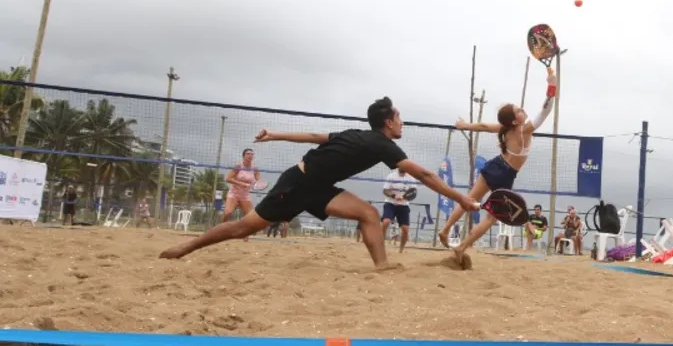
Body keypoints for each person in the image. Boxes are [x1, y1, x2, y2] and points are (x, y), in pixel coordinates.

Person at [159, 97, 480, 269]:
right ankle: (185, 247)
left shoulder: (360, 137)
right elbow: (425, 175)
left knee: (368, 214)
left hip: (319, 188)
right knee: (244, 228)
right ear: (388, 122)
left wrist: (275, 134)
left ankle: (382, 268)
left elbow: (314, 136)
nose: (402, 123)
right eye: (399, 119)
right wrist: (461, 198)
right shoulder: (381, 144)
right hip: (297, 184)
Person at [437, 68, 557, 263]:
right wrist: (552, 84)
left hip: (494, 165)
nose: (522, 109)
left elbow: (483, 126)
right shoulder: (524, 131)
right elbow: (546, 110)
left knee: (469, 199)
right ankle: (461, 247)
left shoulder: (506, 129)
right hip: (505, 175)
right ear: (514, 119)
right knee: (491, 218)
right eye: (518, 110)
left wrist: (464, 125)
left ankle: (445, 230)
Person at [223, 149, 260, 236]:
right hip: (234, 194)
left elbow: (259, 180)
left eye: (252, 154)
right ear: (243, 156)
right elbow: (228, 179)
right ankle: (222, 229)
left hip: (245, 196)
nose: (250, 155)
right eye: (248, 154)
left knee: (252, 216)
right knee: (227, 213)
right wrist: (242, 183)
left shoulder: (255, 168)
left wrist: (258, 184)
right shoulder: (238, 166)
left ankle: (246, 234)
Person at [381, 168, 412, 253]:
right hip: (390, 203)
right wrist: (394, 195)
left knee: (405, 229)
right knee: (386, 222)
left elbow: (414, 193)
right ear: (398, 166)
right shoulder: (391, 176)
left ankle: (401, 250)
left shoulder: (411, 178)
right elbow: (385, 190)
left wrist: (404, 197)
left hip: (403, 205)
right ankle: (380, 245)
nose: (403, 167)